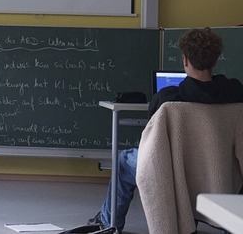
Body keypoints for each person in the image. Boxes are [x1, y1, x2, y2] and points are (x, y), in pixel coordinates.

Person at [88, 28, 243, 233]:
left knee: (124, 160)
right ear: (215, 60)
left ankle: (109, 223)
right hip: (220, 170)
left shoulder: (168, 99)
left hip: (174, 170)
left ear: (185, 60)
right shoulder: (235, 92)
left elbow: (155, 139)